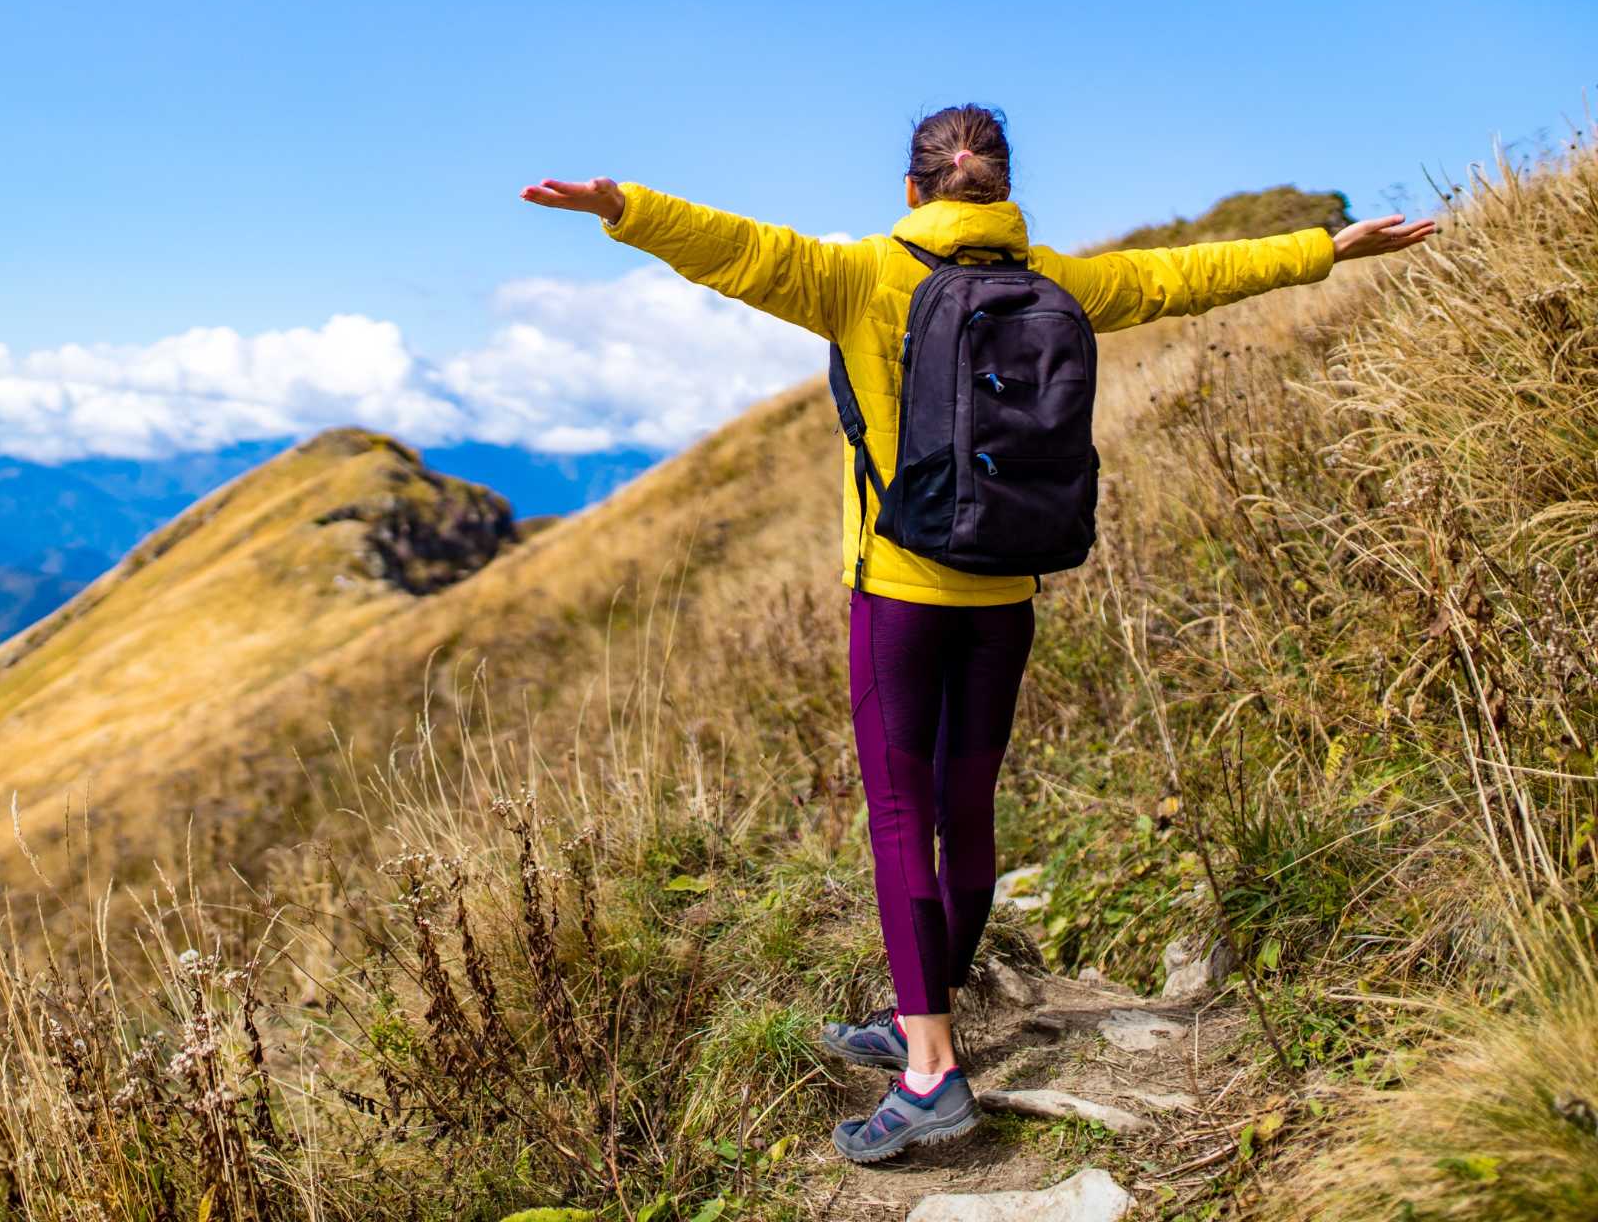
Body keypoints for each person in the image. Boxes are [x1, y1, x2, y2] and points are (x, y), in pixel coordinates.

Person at [520, 104, 1435, 1162]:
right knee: (969, 801)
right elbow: (1191, 275)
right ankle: (926, 1012)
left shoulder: (859, 276)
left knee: (902, 813)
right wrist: (1328, 247)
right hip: (1008, 589)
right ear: (1001, 190)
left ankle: (928, 1069)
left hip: (901, 590)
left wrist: (622, 207)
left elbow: (734, 246)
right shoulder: (1058, 282)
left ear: (914, 191)